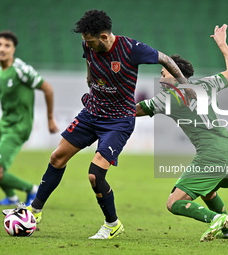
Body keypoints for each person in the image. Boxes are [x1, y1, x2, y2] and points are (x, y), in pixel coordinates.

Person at [20, 9, 196, 240]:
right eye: (85, 41)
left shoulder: (132, 49)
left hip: (118, 120)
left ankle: (112, 224)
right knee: (56, 158)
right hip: (92, 112)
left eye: (90, 41)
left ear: (104, 37)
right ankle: (34, 211)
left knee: (95, 175)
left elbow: (166, 60)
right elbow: (89, 60)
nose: (87, 45)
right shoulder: (88, 45)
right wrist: (89, 79)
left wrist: (184, 86)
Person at [136, 24, 228, 241]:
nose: (161, 78)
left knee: (173, 203)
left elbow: (133, 111)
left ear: (175, 73)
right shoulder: (206, 84)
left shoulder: (166, 99)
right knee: (208, 191)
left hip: (212, 155)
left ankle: (215, 219)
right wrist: (222, 44)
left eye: (164, 73)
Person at [0, 31, 59, 206]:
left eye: (7, 45)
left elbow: (48, 88)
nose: (2, 48)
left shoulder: (20, 69)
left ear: (13, 50)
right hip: (4, 125)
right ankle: (11, 198)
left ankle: (32, 190)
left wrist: (50, 118)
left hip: (19, 127)